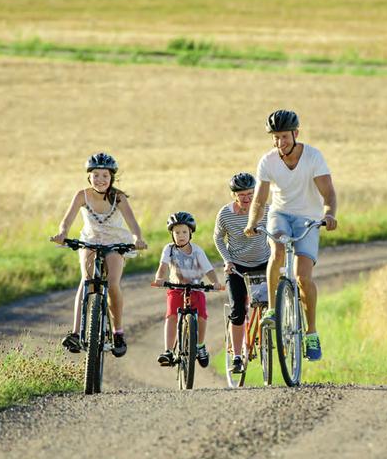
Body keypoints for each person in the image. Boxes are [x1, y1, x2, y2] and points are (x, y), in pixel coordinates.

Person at [243, 109, 337, 362]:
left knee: (303, 277)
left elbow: (328, 194)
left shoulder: (313, 157)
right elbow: (260, 200)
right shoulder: (268, 161)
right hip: (280, 214)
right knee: (278, 250)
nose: (279, 143)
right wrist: (252, 222)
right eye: (275, 138)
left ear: (296, 133)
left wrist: (329, 215)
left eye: (284, 137)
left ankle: (312, 333)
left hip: (308, 217)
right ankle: (273, 310)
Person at [50, 152, 147, 357]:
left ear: (112, 177)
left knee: (112, 284)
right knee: (86, 281)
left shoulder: (118, 197)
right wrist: (62, 233)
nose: (100, 180)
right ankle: (76, 332)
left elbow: (133, 223)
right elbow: (66, 220)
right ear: (89, 176)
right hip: (90, 241)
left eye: (105, 175)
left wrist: (137, 238)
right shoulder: (81, 195)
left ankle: (118, 332)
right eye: (96, 175)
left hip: (115, 242)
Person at [213, 172, 270, 375]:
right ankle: (237, 356)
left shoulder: (265, 209)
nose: (247, 198)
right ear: (233, 195)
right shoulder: (225, 214)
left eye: (250, 193)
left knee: (270, 305)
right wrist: (227, 260)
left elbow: (275, 232)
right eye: (242, 194)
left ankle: (271, 342)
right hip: (237, 266)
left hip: (264, 263)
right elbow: (218, 238)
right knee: (238, 312)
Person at [151, 211, 224, 368]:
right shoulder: (169, 249)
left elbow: (208, 269)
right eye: (177, 232)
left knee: (202, 316)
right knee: (171, 316)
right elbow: (163, 266)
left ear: (191, 232)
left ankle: (200, 346)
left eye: (184, 231)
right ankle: (169, 351)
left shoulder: (197, 251)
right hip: (176, 288)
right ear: (172, 234)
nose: (181, 235)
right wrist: (159, 278)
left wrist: (216, 282)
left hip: (196, 288)